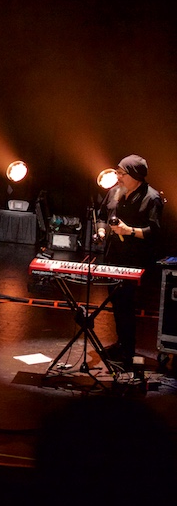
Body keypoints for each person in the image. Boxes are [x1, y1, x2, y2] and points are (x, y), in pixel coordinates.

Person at [97, 154, 163, 365]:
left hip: (134, 261)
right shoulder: (114, 192)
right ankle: (121, 344)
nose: (118, 177)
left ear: (134, 176)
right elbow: (101, 216)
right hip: (112, 257)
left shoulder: (151, 198)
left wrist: (129, 230)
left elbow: (154, 231)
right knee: (116, 303)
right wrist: (101, 230)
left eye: (121, 173)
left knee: (127, 304)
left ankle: (129, 349)